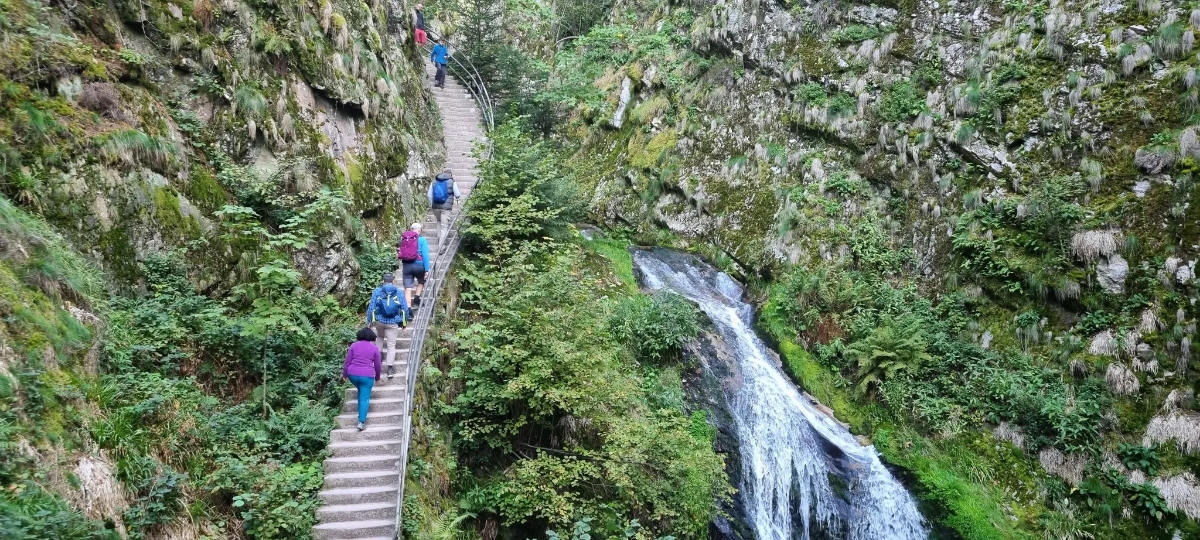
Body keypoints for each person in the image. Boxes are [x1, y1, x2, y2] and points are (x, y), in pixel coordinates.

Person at [366, 273, 410, 379]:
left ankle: (379, 357)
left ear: (383, 281)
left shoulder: (377, 291)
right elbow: (405, 308)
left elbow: (371, 306)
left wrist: (370, 321)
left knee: (380, 337)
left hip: (379, 321)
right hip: (393, 322)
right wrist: (404, 323)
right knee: (391, 345)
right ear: (393, 281)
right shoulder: (398, 292)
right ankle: (390, 369)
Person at [342, 327, 381, 431]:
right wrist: (377, 377)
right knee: (364, 397)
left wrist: (344, 375)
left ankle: (360, 416)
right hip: (367, 376)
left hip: (352, 375)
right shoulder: (374, 348)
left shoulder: (354, 346)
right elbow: (377, 365)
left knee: (361, 392)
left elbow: (347, 361)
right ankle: (361, 422)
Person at [428, 169, 461, 253]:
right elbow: (457, 194)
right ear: (450, 175)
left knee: (438, 221)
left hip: (435, 207)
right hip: (446, 208)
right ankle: (441, 247)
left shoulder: (434, 181)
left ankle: (439, 238)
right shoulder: (452, 181)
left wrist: (433, 204)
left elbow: (429, 195)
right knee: (444, 227)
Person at [398, 222, 431, 308]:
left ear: (411, 229)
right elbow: (425, 255)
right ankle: (416, 299)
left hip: (407, 266)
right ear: (419, 231)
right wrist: (427, 269)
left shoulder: (404, 239)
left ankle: (408, 310)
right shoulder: (422, 240)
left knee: (408, 288)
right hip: (419, 266)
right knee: (421, 281)